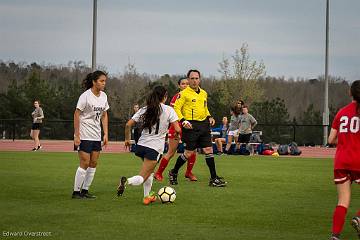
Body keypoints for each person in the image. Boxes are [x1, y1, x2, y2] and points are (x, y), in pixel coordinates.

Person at [117, 86, 180, 205]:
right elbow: (177, 128)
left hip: (141, 146)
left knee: (150, 172)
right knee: (142, 177)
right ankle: (126, 182)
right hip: (154, 148)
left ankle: (147, 197)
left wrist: (127, 139)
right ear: (165, 97)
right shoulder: (168, 110)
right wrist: (177, 135)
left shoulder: (145, 109)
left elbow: (128, 125)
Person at [168, 69, 226, 187]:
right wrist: (183, 121)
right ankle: (173, 172)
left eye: (196, 78)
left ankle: (213, 178)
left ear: (200, 79)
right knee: (188, 153)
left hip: (204, 125)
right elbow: (176, 108)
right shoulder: (183, 94)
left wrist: (209, 116)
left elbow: (205, 108)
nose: (194, 81)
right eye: (192, 78)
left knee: (209, 150)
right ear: (188, 80)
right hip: (190, 126)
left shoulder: (204, 93)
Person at [328, 80, 360, 240]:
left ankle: (335, 236)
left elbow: (330, 139)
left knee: (343, 200)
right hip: (359, 160)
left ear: (350, 93)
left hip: (341, 160)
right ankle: (359, 218)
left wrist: (346, 140)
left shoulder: (341, 112)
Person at [72, 70, 109, 199]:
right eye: (101, 81)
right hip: (84, 134)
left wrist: (105, 134)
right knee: (85, 162)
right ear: (94, 82)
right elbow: (76, 114)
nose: (104, 83)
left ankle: (85, 190)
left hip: (96, 135)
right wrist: (77, 135)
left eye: (105, 81)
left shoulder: (104, 96)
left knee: (93, 163)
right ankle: (76, 192)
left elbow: (104, 115)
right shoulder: (85, 96)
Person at [154, 77, 198, 182]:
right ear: (179, 86)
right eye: (183, 84)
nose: (185, 85)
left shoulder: (193, 97)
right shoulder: (177, 97)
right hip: (176, 127)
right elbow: (173, 114)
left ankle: (188, 173)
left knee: (193, 151)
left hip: (188, 128)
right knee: (171, 152)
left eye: (187, 84)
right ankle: (158, 173)